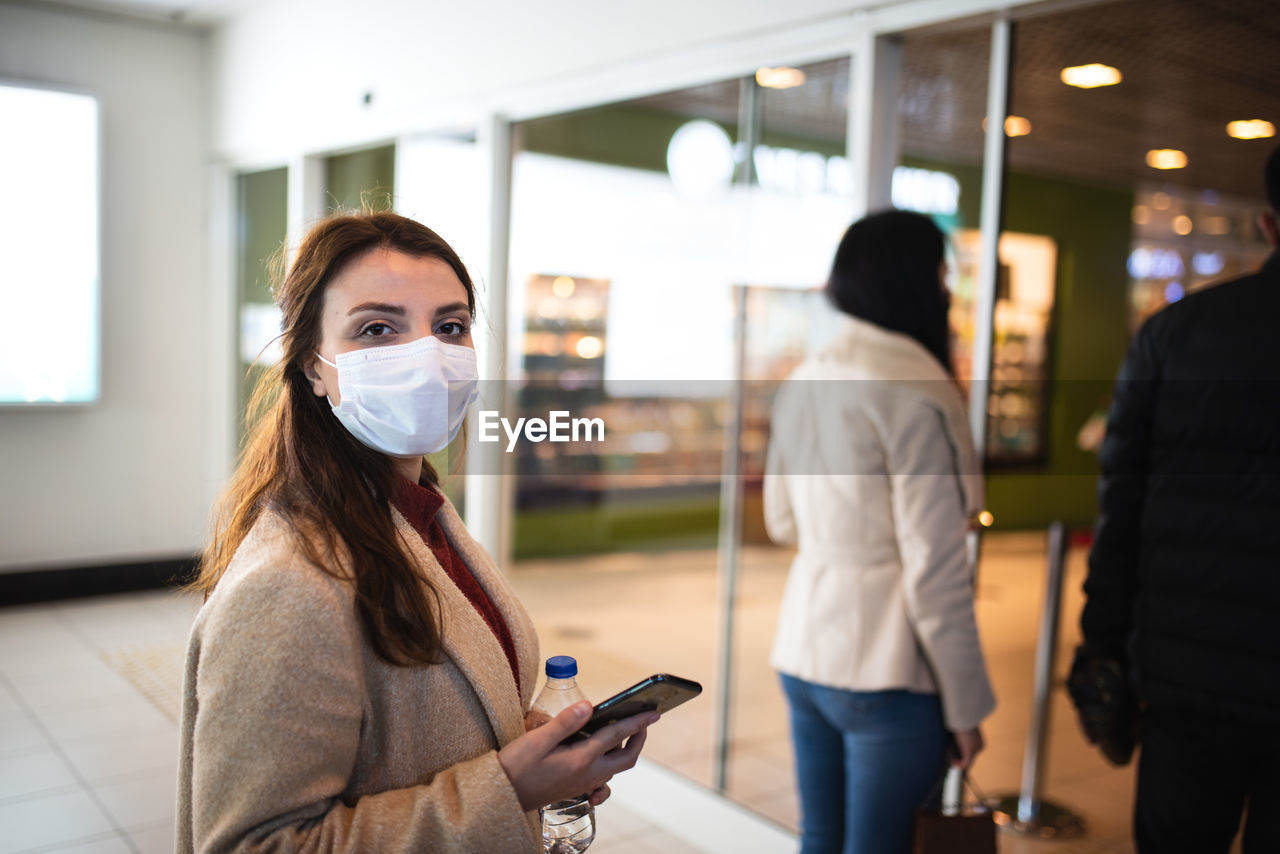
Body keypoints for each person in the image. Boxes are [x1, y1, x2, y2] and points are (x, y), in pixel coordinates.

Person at [176, 211, 656, 853]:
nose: (428, 358)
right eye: (378, 328)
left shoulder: (423, 515)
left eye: (450, 327)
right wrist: (506, 788)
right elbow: (254, 845)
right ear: (314, 367)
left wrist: (523, 746)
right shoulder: (287, 584)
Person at [764, 209, 996, 854]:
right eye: (943, 274)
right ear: (916, 283)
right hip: (888, 667)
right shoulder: (915, 390)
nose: (949, 289)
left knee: (821, 839)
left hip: (805, 648)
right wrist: (967, 707)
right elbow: (935, 570)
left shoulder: (804, 380)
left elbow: (782, 521)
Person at [1076, 145, 1280, 853]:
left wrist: (1101, 646)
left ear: (1267, 225)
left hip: (1187, 683)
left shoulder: (1173, 336)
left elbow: (1120, 510)